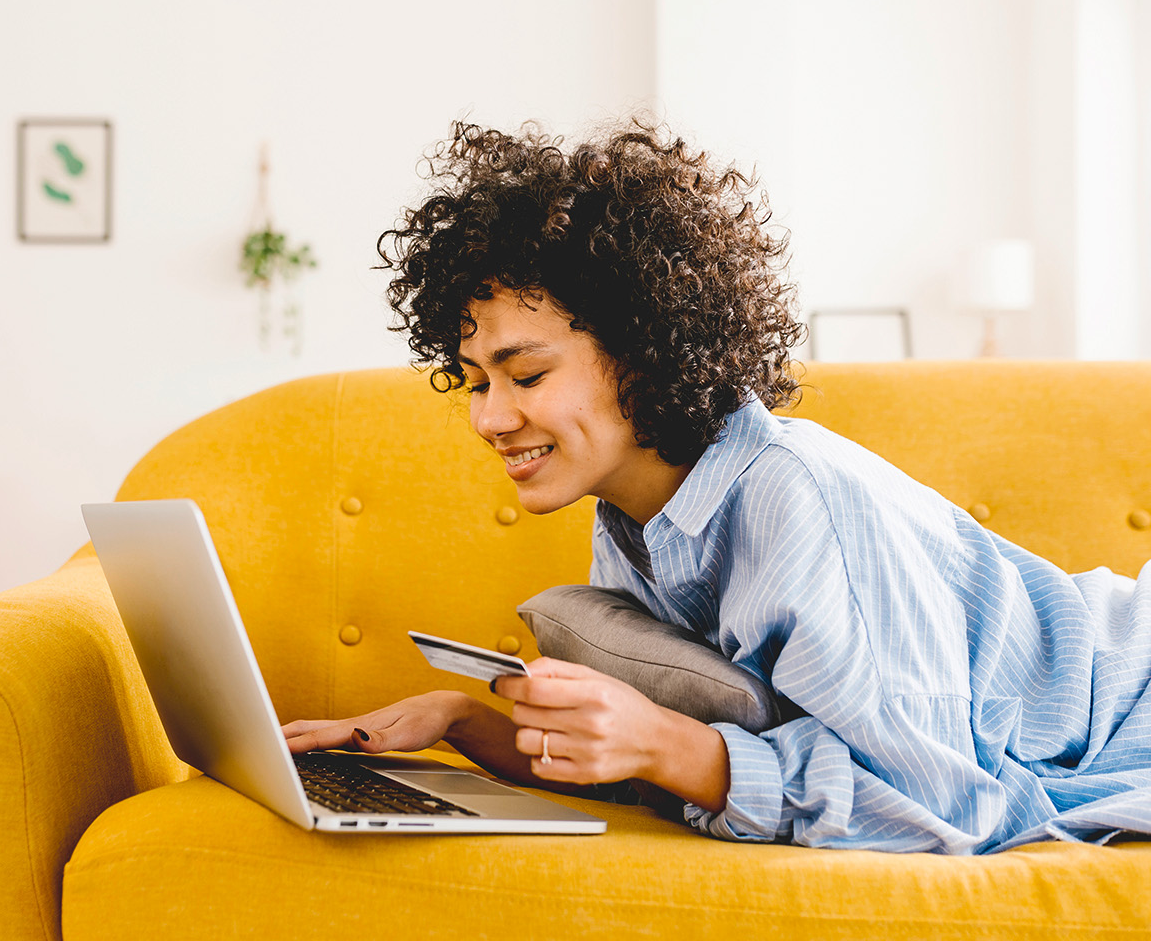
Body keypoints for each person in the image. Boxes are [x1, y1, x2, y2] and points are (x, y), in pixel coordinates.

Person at [280, 120, 1151, 854]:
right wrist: (464, 724)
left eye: (527, 374)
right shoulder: (636, 514)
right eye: (475, 382)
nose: (489, 419)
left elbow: (954, 813)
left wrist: (671, 745)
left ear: (642, 347)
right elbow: (699, 755)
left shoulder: (792, 497)